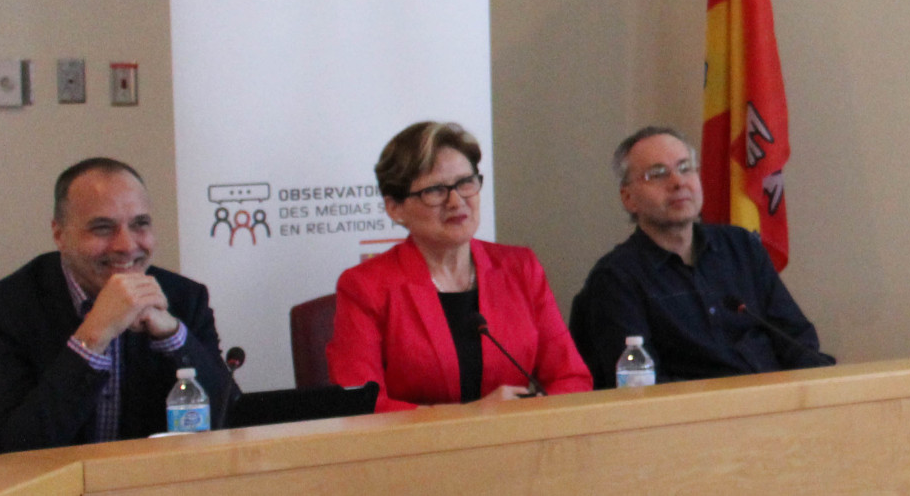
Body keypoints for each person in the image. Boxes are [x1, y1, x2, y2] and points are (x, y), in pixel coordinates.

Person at [0, 158, 236, 457]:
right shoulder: (1, 310)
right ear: (60, 235)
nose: (126, 245)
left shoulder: (185, 298)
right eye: (103, 228)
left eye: (140, 224)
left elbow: (232, 420)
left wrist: (172, 334)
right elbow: (12, 450)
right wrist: (94, 335)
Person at [327, 122, 592, 412]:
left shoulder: (520, 268)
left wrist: (530, 417)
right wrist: (470, 416)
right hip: (416, 453)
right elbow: (361, 404)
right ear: (395, 208)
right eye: (436, 190)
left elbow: (571, 378)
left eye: (465, 183)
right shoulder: (366, 286)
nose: (456, 201)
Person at [570, 126, 832, 388]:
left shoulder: (740, 246)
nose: (678, 182)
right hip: (696, 419)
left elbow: (797, 339)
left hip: (775, 403)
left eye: (685, 169)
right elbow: (642, 385)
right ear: (629, 198)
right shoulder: (617, 278)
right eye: (658, 174)